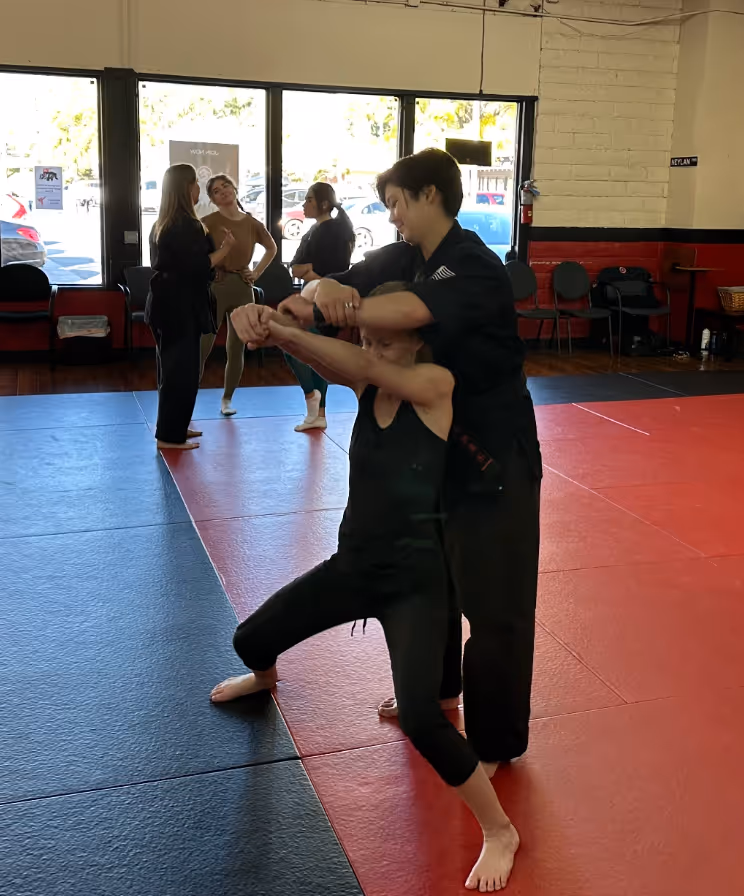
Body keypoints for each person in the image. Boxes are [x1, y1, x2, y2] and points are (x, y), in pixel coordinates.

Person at [232, 148, 542, 774]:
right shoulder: (406, 256)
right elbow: (336, 283)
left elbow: (407, 313)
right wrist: (297, 304)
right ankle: (436, 693)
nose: (393, 215)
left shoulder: (474, 264)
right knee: (439, 579)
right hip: (435, 451)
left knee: (495, 603)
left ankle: (495, 745)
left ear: (430, 194)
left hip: (493, 455)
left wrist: (318, 314)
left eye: (398, 202)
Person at [212, 288, 520, 891]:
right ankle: (268, 676)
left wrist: (288, 331)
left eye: (386, 340)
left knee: (421, 721)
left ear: (417, 343)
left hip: (415, 582)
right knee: (249, 637)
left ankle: (501, 832)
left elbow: (358, 363)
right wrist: (269, 324)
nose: (372, 351)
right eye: (369, 339)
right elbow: (344, 365)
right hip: (354, 569)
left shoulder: (435, 385)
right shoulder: (368, 386)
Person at [146, 163, 236, 450]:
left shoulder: (163, 223)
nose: (199, 188)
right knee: (180, 372)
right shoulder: (185, 225)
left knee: (173, 370)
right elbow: (197, 266)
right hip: (179, 307)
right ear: (186, 188)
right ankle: (169, 436)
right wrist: (225, 250)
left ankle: (175, 426)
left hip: (166, 304)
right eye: (196, 183)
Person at [201, 174, 277, 416]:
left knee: (237, 346)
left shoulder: (252, 223)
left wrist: (255, 273)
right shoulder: (207, 222)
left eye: (226, 186)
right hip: (216, 285)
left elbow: (272, 248)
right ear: (212, 199)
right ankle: (186, 398)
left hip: (243, 287)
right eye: (216, 190)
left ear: (234, 189)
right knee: (203, 345)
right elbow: (198, 258)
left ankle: (227, 398)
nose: (222, 191)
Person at [287, 183, 355, 432]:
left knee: (300, 348)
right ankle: (317, 413)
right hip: (314, 296)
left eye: (309, 200)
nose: (304, 205)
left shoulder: (332, 232)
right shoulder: (314, 231)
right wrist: (308, 271)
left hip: (324, 300)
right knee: (309, 351)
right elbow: (296, 267)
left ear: (323, 204)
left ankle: (313, 401)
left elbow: (332, 272)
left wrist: (309, 272)